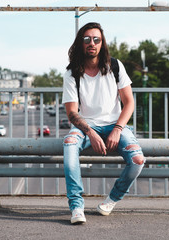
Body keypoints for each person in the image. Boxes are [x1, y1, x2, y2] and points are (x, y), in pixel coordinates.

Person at [62, 22, 146, 224]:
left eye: (96, 39)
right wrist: (91, 132)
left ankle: (111, 200)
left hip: (114, 124)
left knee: (138, 160)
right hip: (85, 127)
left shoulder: (114, 66)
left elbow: (129, 103)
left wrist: (118, 129)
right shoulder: (72, 73)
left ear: (102, 43)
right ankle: (76, 207)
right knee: (69, 143)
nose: (92, 43)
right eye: (87, 39)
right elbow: (72, 113)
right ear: (80, 43)